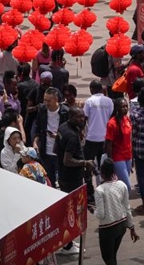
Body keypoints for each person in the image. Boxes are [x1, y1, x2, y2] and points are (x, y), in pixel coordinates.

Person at [56, 107, 93, 258]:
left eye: (83, 117)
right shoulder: (71, 135)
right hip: (71, 179)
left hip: (64, 177)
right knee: (72, 210)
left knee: (69, 209)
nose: (82, 120)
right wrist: (85, 163)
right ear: (70, 117)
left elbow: (56, 148)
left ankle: (69, 240)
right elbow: (67, 160)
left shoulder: (62, 128)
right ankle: (68, 244)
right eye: (78, 117)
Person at [95, 158, 139, 265]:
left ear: (102, 174)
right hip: (122, 226)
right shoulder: (122, 185)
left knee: (108, 258)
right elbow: (127, 208)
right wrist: (132, 227)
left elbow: (100, 214)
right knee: (112, 255)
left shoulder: (100, 190)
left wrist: (93, 211)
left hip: (108, 228)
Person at [33, 87, 69, 187]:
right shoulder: (42, 110)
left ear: (56, 100)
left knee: (63, 180)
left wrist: (58, 136)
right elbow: (38, 128)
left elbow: (70, 133)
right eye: (45, 100)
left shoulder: (65, 112)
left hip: (60, 152)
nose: (46, 103)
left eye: (49, 100)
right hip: (46, 152)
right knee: (49, 181)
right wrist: (35, 142)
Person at [84, 80, 114, 191]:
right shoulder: (109, 101)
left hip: (91, 138)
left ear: (91, 89)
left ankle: (90, 190)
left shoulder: (89, 101)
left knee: (89, 166)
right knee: (103, 166)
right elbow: (111, 116)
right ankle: (104, 188)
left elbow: (84, 118)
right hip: (105, 139)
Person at [106, 97, 133, 192]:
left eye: (126, 106)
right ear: (117, 108)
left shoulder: (127, 119)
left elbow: (129, 139)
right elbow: (108, 143)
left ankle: (121, 205)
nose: (125, 109)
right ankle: (125, 206)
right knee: (127, 186)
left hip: (128, 157)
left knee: (121, 186)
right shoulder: (112, 124)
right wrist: (110, 160)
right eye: (122, 107)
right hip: (118, 158)